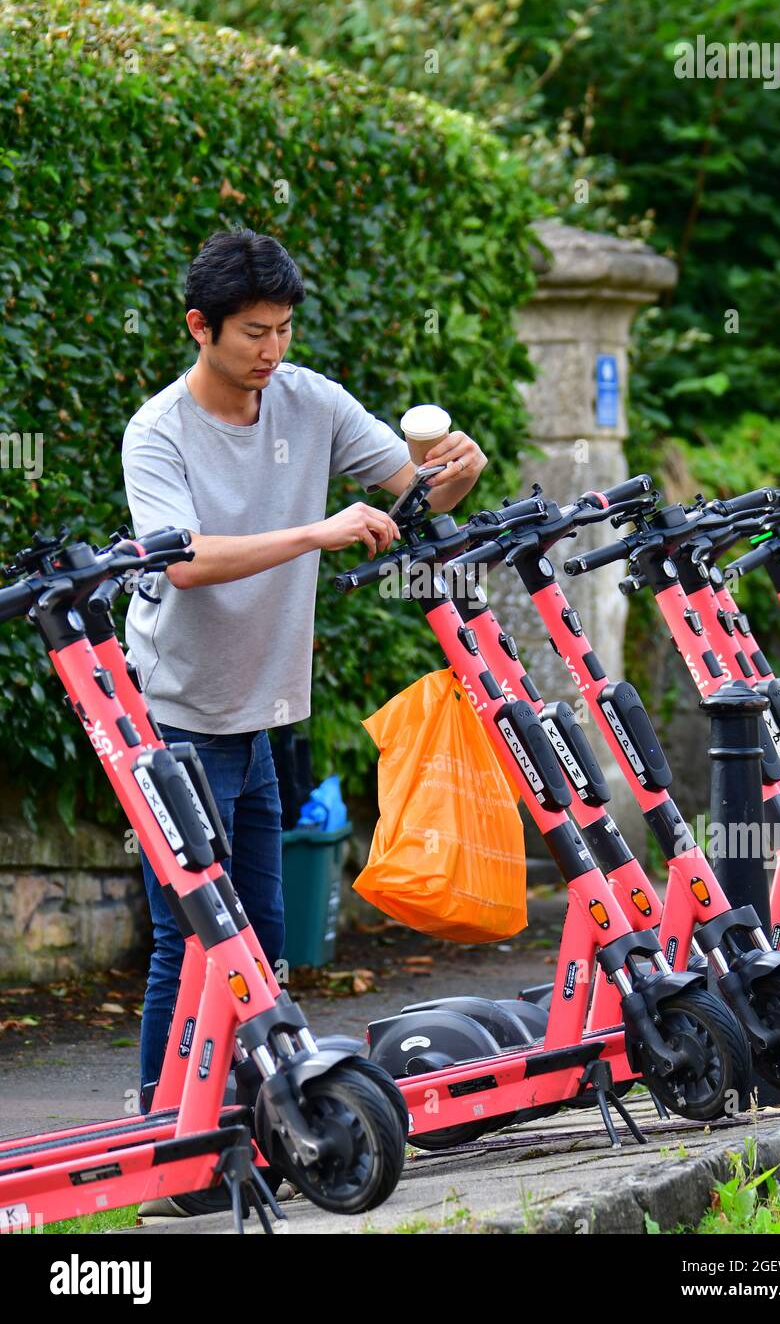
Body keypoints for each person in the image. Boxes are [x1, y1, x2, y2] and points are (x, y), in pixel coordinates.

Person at [122, 227, 487, 1213]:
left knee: (265, 930)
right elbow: (183, 560)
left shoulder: (310, 400)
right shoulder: (158, 432)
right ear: (200, 327)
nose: (270, 350)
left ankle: (250, 1120)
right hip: (178, 718)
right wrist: (317, 531)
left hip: (265, 711)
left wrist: (454, 469)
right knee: (191, 937)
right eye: (251, 333)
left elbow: (411, 500)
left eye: (282, 330)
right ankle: (169, 1144)